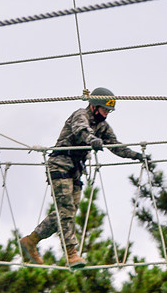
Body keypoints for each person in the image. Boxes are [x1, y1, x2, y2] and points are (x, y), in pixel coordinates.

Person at [19, 87, 147, 268]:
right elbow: (81, 130)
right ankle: (71, 254)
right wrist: (91, 140)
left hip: (75, 171)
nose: (106, 114)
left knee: (68, 212)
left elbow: (115, 146)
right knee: (66, 209)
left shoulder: (102, 126)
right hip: (60, 165)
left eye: (109, 111)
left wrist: (135, 155)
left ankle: (31, 240)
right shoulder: (81, 115)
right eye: (105, 109)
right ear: (94, 106)